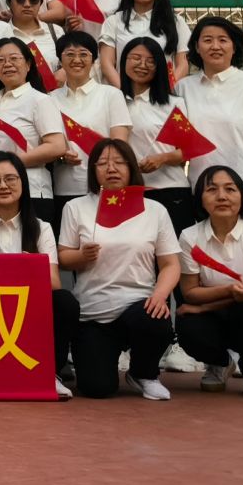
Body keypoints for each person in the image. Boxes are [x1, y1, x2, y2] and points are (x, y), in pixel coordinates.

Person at [58, 139, 180, 400]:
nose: (111, 168)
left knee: (155, 319)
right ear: (93, 170)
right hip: (93, 311)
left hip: (138, 304)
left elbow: (171, 264)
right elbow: (63, 258)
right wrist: (81, 256)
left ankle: (144, 373)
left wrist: (160, 295)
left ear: (131, 167)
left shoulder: (155, 210)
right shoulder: (76, 207)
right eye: (102, 163)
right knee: (96, 388)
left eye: (119, 162)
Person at [0, 150, 76, 394]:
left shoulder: (41, 227)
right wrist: (25, 268)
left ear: (23, 182)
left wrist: (6, 271)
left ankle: (51, 373)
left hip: (28, 303)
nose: (3, 186)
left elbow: (53, 283)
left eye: (10, 178)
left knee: (64, 302)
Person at [176, 166, 243, 399]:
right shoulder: (189, 236)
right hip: (215, 319)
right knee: (187, 326)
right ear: (200, 198)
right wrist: (226, 291)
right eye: (211, 190)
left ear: (242, 196)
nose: (222, 196)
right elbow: (190, 293)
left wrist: (203, 307)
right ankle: (221, 363)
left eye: (230, 189)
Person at [181, 15, 243, 221]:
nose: (215, 46)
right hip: (200, 192)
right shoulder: (182, 88)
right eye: (207, 40)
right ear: (197, 47)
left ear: (234, 47)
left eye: (223, 40)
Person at [50, 31, 131, 223]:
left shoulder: (111, 95)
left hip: (105, 187)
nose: (77, 60)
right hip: (65, 187)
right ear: (60, 60)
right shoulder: (49, 99)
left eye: (84, 54)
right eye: (70, 54)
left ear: (94, 60)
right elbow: (46, 143)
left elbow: (119, 144)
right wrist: (60, 156)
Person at [0, 36, 68, 215]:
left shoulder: (40, 100)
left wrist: (8, 165)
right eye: (0, 60)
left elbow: (57, 146)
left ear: (28, 65)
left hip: (33, 190)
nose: (7, 64)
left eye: (14, 58)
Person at [119, 37, 193, 230]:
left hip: (170, 189)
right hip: (129, 191)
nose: (142, 65)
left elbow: (187, 150)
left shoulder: (173, 103)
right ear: (124, 60)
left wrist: (162, 158)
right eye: (136, 58)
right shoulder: (113, 100)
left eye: (150, 61)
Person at [97, 0, 186, 89]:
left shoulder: (176, 22)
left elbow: (182, 64)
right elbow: (106, 64)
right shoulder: (114, 21)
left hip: (163, 95)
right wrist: (126, 93)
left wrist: (166, 91)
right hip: (123, 95)